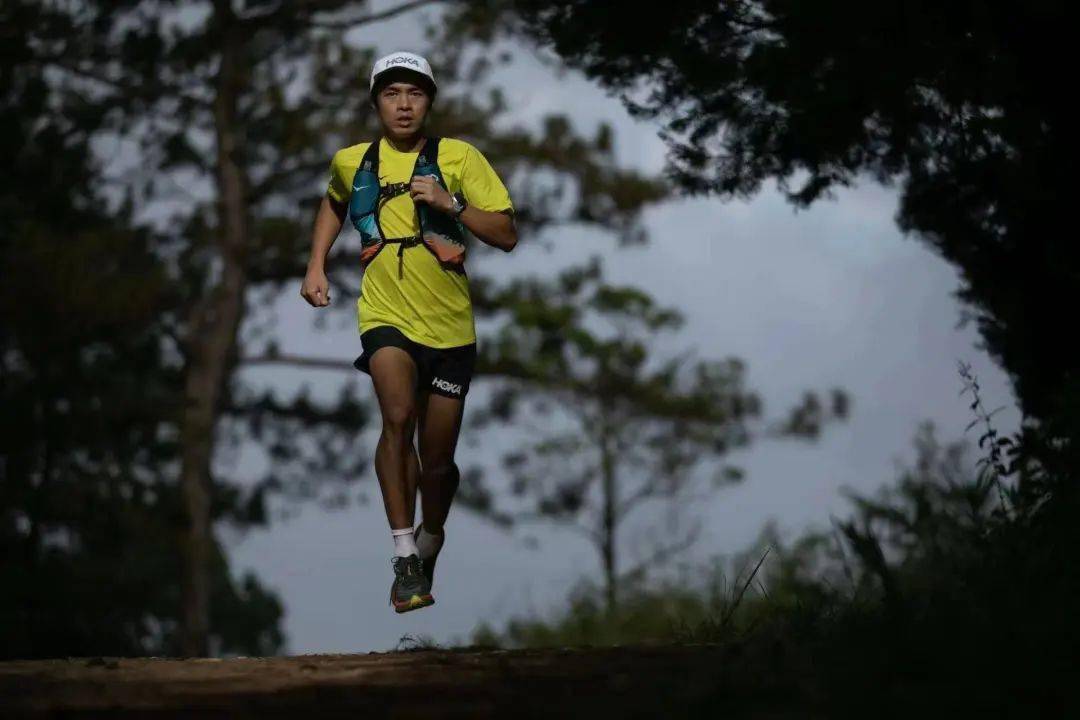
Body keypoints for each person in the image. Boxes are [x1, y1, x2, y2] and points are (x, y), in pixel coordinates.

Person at [300, 51, 517, 613]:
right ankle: (403, 555)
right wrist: (316, 264)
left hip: (449, 325)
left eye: (415, 94)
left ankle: (431, 536)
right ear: (375, 102)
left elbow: (507, 234)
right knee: (396, 416)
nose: (403, 104)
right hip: (384, 313)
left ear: (430, 102)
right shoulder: (353, 161)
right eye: (392, 93)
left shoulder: (458, 157)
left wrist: (453, 203)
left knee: (438, 460)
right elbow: (334, 204)